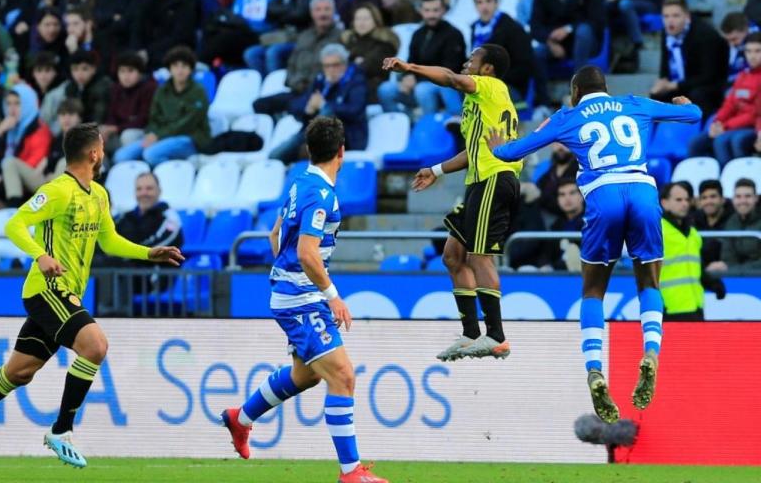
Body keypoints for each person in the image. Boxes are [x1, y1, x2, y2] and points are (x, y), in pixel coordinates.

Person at [0, 123, 183, 469]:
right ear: (94, 153)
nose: (105, 154)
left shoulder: (98, 194)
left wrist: (147, 253)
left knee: (18, 372)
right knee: (95, 346)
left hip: (66, 292)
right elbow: (13, 224)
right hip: (47, 289)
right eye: (102, 148)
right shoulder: (58, 191)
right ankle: (61, 431)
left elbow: (108, 240)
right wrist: (40, 255)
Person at [487, 65, 702, 423]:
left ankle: (594, 370)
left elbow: (511, 154)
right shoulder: (634, 103)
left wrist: (498, 146)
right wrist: (684, 101)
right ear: (607, 87)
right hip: (644, 193)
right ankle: (651, 352)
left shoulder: (569, 116)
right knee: (648, 281)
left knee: (593, 292)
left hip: (604, 197)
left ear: (575, 92)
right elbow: (693, 115)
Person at [221, 116, 388, 483]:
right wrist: (331, 296)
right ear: (342, 152)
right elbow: (307, 253)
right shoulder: (320, 194)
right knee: (343, 376)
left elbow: (275, 235)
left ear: (309, 150)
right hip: (302, 299)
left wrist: (287, 276)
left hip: (292, 293)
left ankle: (240, 418)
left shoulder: (300, 183)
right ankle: (351, 473)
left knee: (306, 375)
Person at [383, 44, 521, 362]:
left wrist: (411, 68)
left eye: (472, 60)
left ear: (487, 69)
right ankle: (471, 333)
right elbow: (472, 152)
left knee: (479, 256)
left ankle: (497, 336)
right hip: (479, 180)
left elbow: (449, 78)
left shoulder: (491, 86)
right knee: (452, 255)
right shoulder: (480, 104)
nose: (465, 64)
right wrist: (435, 170)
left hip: (495, 179)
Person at [113, 46, 210, 166]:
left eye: (184, 66)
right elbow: (153, 118)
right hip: (161, 137)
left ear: (191, 69)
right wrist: (152, 133)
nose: (180, 71)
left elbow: (188, 123)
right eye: (175, 66)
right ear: (169, 69)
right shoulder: (162, 91)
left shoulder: (198, 91)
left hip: (190, 138)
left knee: (151, 154)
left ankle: (174, 174)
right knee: (121, 157)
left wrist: (158, 135)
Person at [271, 44, 368, 164]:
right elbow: (295, 105)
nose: (331, 69)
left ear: (344, 64)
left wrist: (324, 105)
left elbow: (355, 111)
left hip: (348, 136)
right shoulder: (320, 81)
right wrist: (308, 109)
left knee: (326, 113)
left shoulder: (356, 81)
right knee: (275, 156)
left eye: (335, 65)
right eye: (327, 66)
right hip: (314, 134)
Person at [253, 0, 342, 117]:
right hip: (296, 91)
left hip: (321, 95)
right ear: (312, 13)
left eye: (327, 9)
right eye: (318, 9)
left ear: (333, 12)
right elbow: (291, 64)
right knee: (259, 104)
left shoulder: (341, 37)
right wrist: (294, 82)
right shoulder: (304, 36)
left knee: (296, 108)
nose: (322, 14)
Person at [378, 0, 466, 116]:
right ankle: (405, 125)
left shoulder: (454, 34)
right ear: (420, 11)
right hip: (418, 81)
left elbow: (449, 70)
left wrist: (416, 78)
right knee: (385, 89)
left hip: (443, 87)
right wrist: (406, 78)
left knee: (422, 90)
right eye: (427, 10)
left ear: (443, 10)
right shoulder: (418, 34)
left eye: (435, 10)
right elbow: (410, 60)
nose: (431, 15)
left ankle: (428, 128)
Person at [242, 0, 325, 77]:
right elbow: (269, 10)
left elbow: (301, 15)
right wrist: (290, 12)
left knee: (273, 52)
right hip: (283, 36)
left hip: (304, 38)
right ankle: (263, 86)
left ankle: (276, 87)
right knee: (251, 53)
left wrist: (282, 14)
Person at [687, 32, 761, 165]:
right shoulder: (743, 76)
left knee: (723, 141)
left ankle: (729, 180)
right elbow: (730, 104)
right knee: (695, 143)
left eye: (757, 51)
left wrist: (725, 126)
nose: (752, 56)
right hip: (732, 125)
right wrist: (717, 122)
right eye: (749, 51)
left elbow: (754, 114)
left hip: (750, 127)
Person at [649, 0, 728, 118]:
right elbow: (664, 69)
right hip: (682, 84)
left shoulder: (705, 35)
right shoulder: (666, 33)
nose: (670, 21)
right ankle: (662, 135)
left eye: (675, 16)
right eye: (666, 16)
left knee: (697, 94)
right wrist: (661, 83)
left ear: (687, 17)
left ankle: (699, 130)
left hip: (709, 85)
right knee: (656, 95)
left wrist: (675, 85)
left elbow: (709, 76)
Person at [658, 182, 726, 321]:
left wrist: (713, 284)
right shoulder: (657, 231)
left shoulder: (693, 233)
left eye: (687, 199)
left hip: (695, 307)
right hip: (668, 309)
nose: (684, 204)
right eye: (678, 200)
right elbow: (644, 271)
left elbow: (696, 268)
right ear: (664, 203)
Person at [0, 86, 52, 208]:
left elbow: (34, 161)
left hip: (35, 178)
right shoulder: (8, 126)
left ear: (28, 104)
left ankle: (13, 209)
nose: (12, 109)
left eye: (17, 103)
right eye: (8, 104)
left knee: (8, 164)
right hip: (13, 176)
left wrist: (4, 174)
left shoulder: (39, 129)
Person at [470, 0, 534, 105]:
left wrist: (492, 80)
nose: (484, 7)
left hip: (509, 86)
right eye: (479, 2)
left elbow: (524, 65)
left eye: (488, 1)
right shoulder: (475, 28)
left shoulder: (512, 28)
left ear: (497, 3)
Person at [133, 0, 197, 70]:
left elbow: (180, 36)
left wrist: (148, 52)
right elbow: (136, 29)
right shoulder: (144, 1)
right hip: (144, 54)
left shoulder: (186, 4)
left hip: (172, 55)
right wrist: (138, 51)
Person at [112, 172, 184, 262]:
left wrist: (126, 255)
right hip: (121, 269)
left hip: (154, 272)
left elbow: (160, 248)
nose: (144, 193)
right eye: (139, 189)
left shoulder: (170, 218)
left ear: (159, 191)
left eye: (149, 188)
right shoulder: (124, 217)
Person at [42, 50, 112, 132]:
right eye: (75, 69)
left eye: (84, 69)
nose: (79, 73)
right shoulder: (71, 87)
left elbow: (99, 117)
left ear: (93, 69)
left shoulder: (101, 87)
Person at [340, 3, 398, 101]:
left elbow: (368, 66)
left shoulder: (384, 43)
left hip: (372, 89)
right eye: (357, 19)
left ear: (376, 20)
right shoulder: (348, 40)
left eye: (366, 19)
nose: (361, 23)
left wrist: (351, 63)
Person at [102, 52, 156, 154]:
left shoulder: (149, 88)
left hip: (142, 132)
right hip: (119, 131)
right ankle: (103, 167)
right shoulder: (116, 89)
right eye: (122, 71)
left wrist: (116, 128)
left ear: (140, 73)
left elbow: (143, 119)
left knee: (128, 135)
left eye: (130, 71)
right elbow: (111, 115)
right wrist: (107, 129)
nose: (126, 76)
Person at [710, 178, 761, 272]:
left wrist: (737, 269)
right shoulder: (731, 222)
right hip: (737, 276)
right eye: (738, 196)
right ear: (733, 199)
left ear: (756, 198)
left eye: (748, 196)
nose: (743, 201)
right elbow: (728, 258)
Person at [693, 179, 732, 267]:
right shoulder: (693, 219)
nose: (708, 201)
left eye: (713, 197)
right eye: (704, 198)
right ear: (699, 201)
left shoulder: (733, 219)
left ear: (722, 199)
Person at [720, 12, 754, 83]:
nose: (731, 44)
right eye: (727, 40)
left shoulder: (757, 41)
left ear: (745, 30)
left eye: (734, 39)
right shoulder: (735, 43)